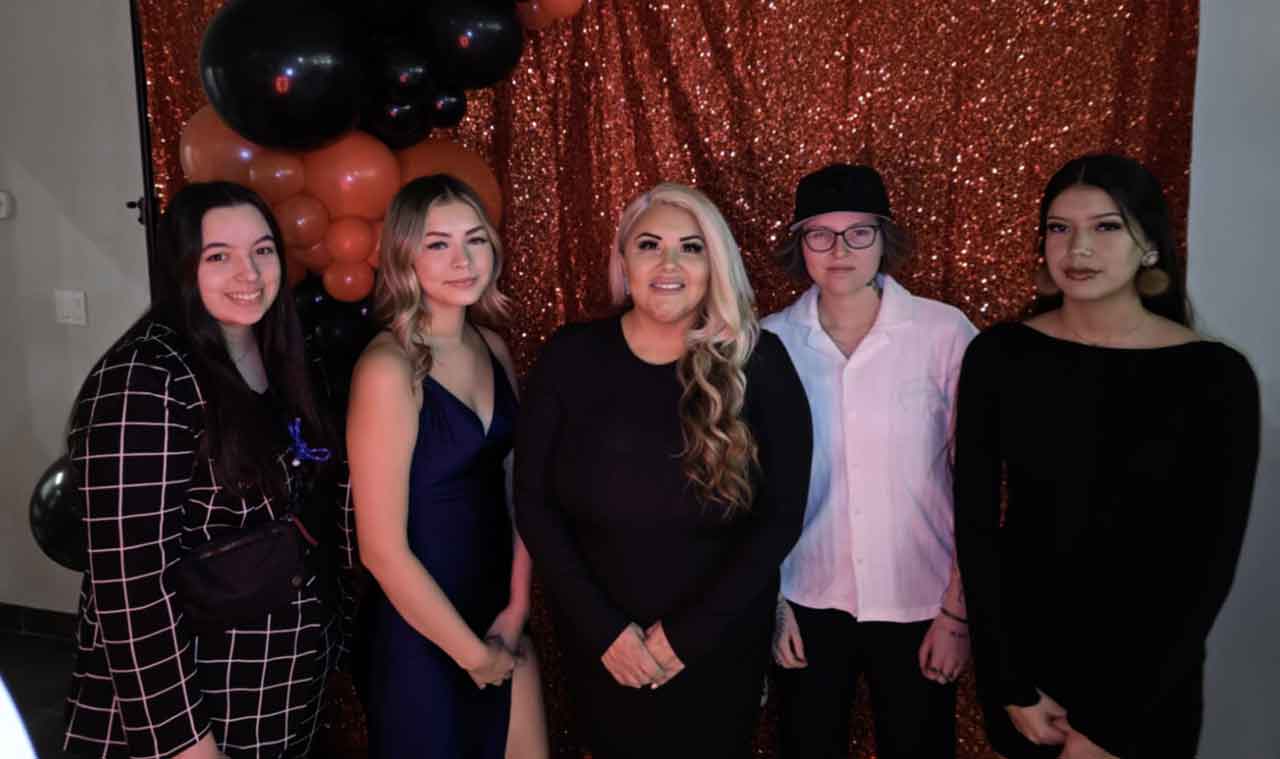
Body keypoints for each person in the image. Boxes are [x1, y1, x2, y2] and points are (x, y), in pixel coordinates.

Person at [953, 153, 1260, 759]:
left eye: (1106, 226)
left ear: (1149, 244)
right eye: (1059, 228)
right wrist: (1009, 681)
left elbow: (1208, 562)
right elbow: (978, 526)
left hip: (1149, 683)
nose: (1078, 249)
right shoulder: (1000, 356)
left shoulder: (1216, 377)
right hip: (1030, 681)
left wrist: (1110, 723)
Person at [514, 182, 813, 758]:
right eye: (649, 245)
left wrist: (688, 637)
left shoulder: (760, 360)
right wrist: (605, 632)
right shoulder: (570, 357)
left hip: (718, 645)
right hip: (602, 648)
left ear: (714, 263)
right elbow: (533, 502)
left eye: (691, 247)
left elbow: (780, 518)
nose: (669, 263)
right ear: (624, 260)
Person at [63, 182, 347, 758]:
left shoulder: (285, 355)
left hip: (274, 700)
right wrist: (185, 744)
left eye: (263, 251)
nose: (249, 273)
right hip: (190, 717)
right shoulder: (146, 380)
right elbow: (130, 588)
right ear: (182, 265)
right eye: (219, 256)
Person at [763, 163, 976, 759]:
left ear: (884, 238)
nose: (839, 250)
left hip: (922, 600)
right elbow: (754, 489)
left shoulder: (943, 333)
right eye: (820, 234)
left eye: (858, 232)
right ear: (799, 244)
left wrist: (957, 613)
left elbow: (976, 482)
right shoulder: (769, 342)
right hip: (807, 599)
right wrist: (773, 604)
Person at [347, 175, 548, 759]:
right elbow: (380, 549)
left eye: (475, 239)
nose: (463, 260)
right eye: (438, 243)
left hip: (498, 611)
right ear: (404, 254)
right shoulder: (388, 369)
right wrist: (470, 653)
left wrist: (516, 606)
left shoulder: (492, 346)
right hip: (420, 630)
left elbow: (516, 489)